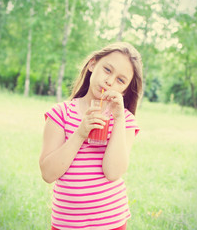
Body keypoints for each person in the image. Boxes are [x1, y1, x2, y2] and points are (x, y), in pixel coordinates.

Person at [39, 42, 143, 230]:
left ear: (125, 90)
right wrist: (80, 133)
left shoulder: (125, 120)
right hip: (67, 224)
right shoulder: (60, 113)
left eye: (120, 80)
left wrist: (118, 119)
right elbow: (48, 174)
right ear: (92, 64)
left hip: (112, 222)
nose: (109, 81)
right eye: (107, 70)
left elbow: (113, 172)